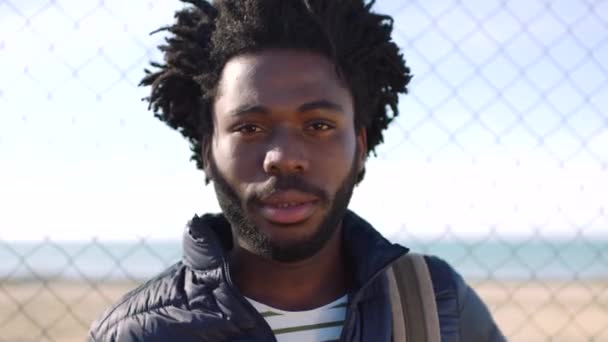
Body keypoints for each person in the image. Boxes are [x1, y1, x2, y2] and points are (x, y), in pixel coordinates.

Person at [89, 0, 505, 341]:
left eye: (319, 125)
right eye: (249, 128)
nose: (284, 157)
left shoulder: (435, 306)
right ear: (208, 152)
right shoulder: (136, 335)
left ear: (359, 147)